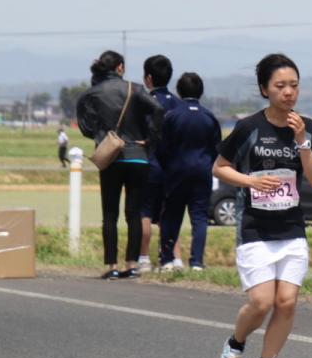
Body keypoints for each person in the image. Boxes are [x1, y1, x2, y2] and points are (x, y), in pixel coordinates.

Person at [213, 54, 312, 358]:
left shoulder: (307, 127)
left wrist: (303, 141)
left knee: (286, 301)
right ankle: (235, 343)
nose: (288, 92)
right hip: (255, 228)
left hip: (291, 227)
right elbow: (219, 167)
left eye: (293, 85)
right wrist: (251, 182)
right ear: (264, 89)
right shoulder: (249, 127)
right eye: (280, 86)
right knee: (262, 302)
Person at [76, 50, 165, 279]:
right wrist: (150, 139)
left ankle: (111, 266)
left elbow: (86, 127)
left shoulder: (91, 94)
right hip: (138, 156)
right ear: (120, 68)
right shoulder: (134, 89)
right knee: (133, 213)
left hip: (111, 158)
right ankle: (131, 264)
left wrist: (103, 136)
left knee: (110, 213)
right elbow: (158, 109)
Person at [158, 72, 221, 272]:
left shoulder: (172, 116)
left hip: (176, 172)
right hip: (202, 172)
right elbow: (217, 148)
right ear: (201, 92)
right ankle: (196, 263)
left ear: (179, 90)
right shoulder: (209, 117)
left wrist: (168, 166)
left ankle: (167, 260)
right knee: (200, 218)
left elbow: (162, 148)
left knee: (171, 216)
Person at [138, 55, 182, 272]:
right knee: (170, 214)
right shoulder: (178, 104)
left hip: (149, 164)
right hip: (174, 168)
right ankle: (173, 259)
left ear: (148, 78)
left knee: (145, 213)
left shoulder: (143, 103)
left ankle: (144, 258)